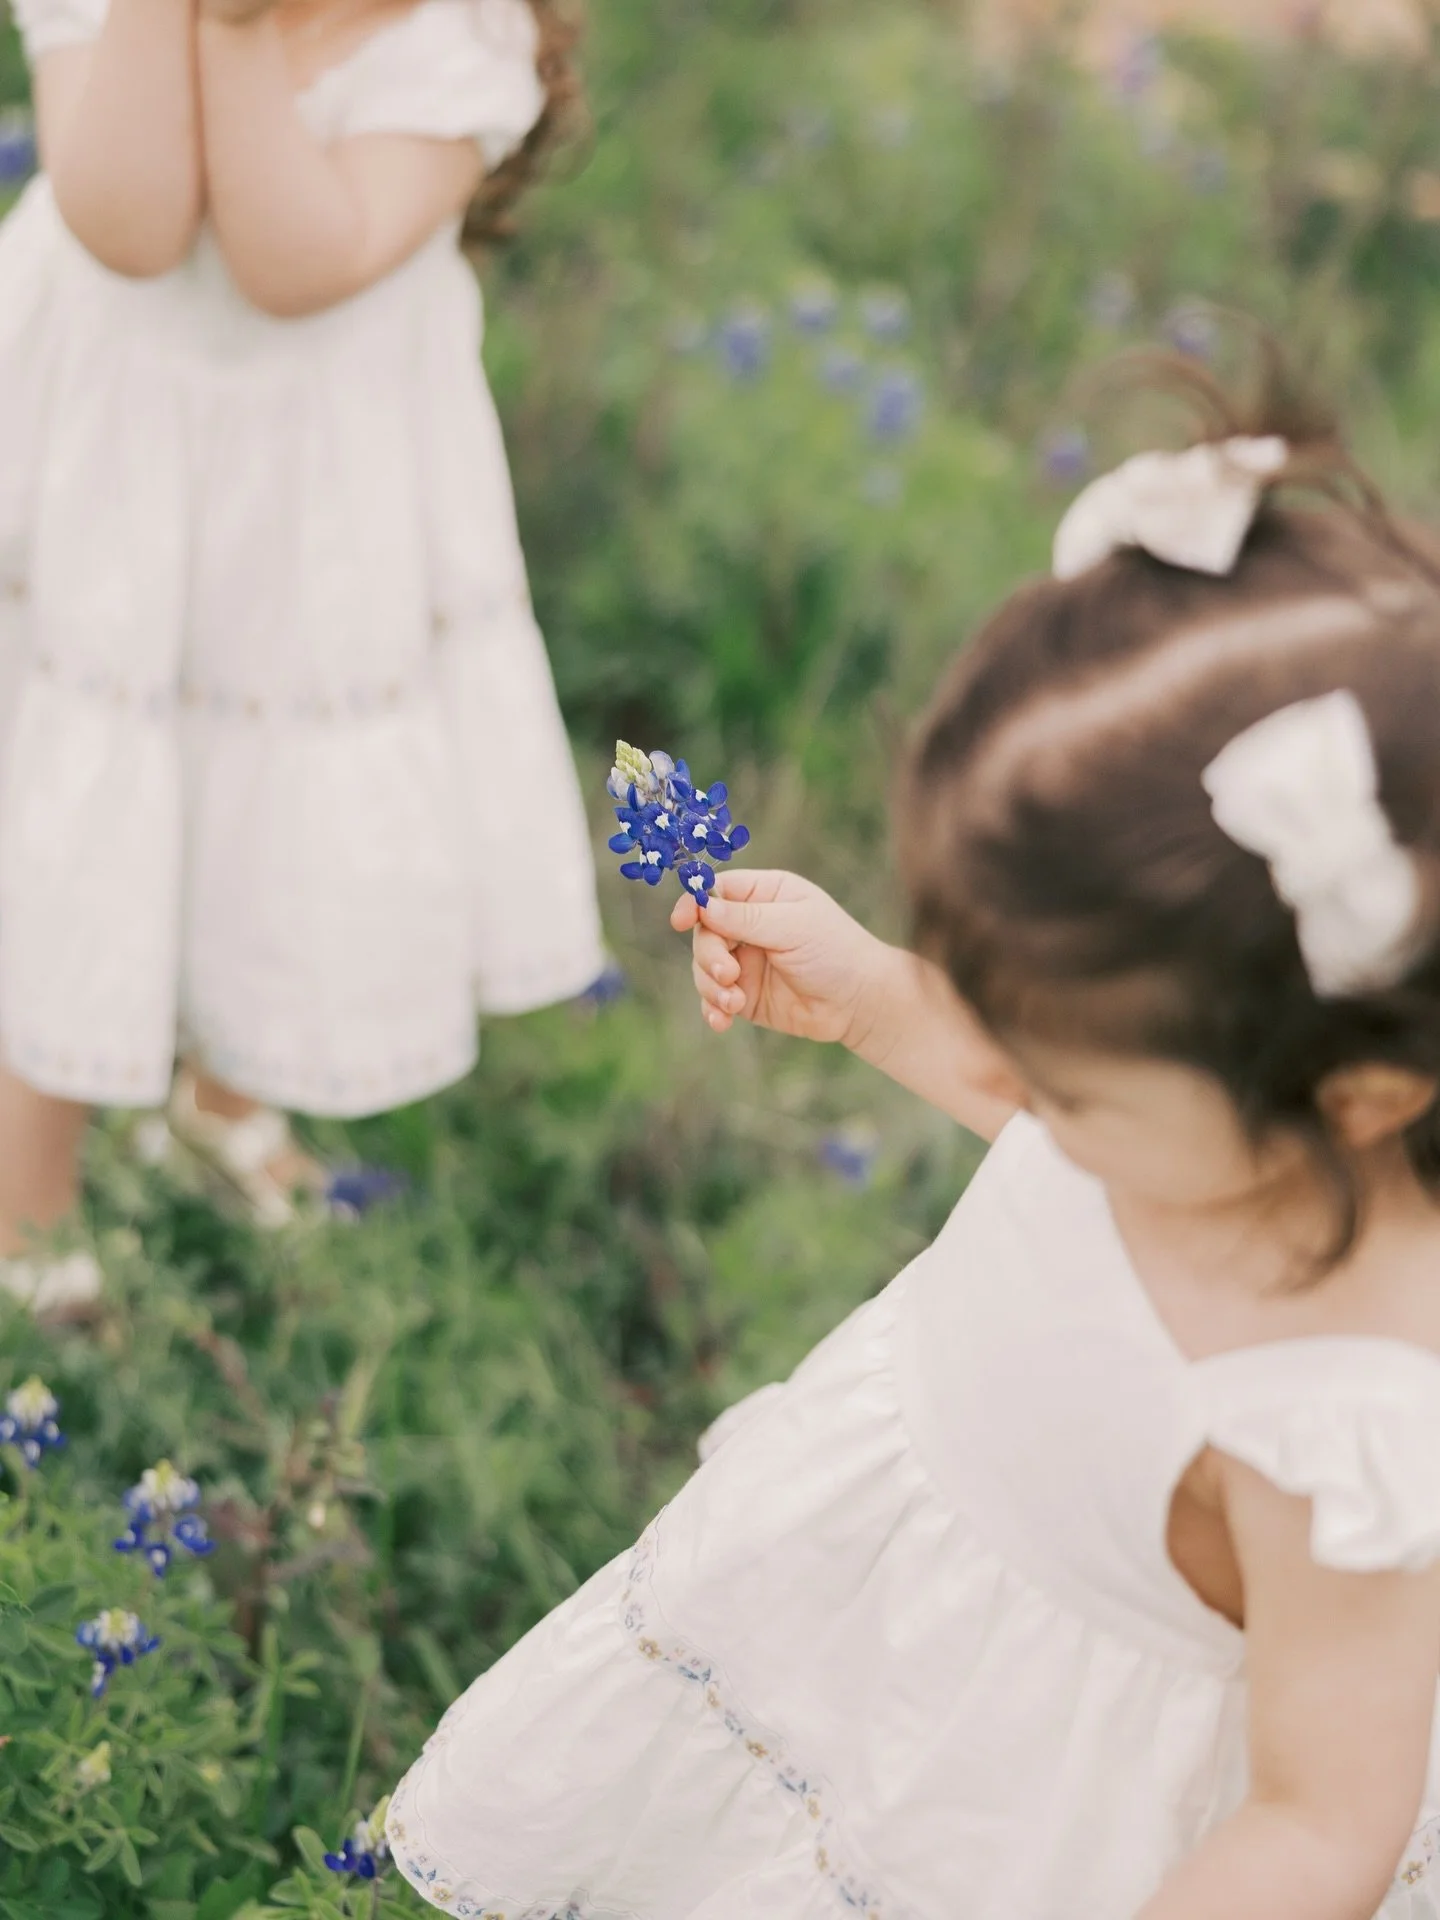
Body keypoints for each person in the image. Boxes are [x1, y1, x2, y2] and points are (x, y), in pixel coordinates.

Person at [386, 400, 1440, 1919]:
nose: (1011, 1064)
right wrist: (885, 998)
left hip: (1038, 1822)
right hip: (864, 1611)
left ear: (1351, 1098)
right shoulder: (1205, 1110)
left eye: (1062, 1064)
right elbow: (1048, 1130)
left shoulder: (1344, 1423)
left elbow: (1320, 1823)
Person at [0, 0, 605, 1299]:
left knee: (272, 823)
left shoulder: (462, 36)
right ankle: (27, 1209)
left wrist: (235, 31)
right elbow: (125, 225)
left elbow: (292, 261)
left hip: (312, 530)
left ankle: (219, 1096)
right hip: (106, 491)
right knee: (75, 832)